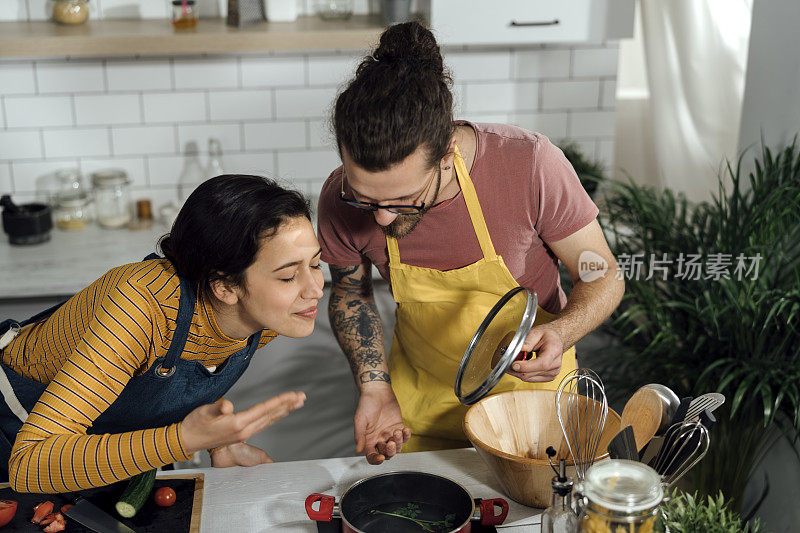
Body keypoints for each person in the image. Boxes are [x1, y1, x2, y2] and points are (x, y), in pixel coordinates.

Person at [317, 22, 625, 463]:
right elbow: (350, 293)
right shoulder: (336, 199)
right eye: (365, 199)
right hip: (419, 412)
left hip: (531, 400)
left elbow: (603, 274)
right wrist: (374, 387)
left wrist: (561, 332)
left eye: (405, 200)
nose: (382, 217)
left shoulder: (529, 166)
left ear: (447, 156)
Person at [0, 175, 324, 493]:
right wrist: (185, 439)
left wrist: (220, 444)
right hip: (16, 425)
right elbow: (28, 465)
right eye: (287, 277)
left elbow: (197, 353)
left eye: (315, 264)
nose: (315, 289)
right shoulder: (138, 307)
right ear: (224, 286)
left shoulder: (269, 315)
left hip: (103, 441)